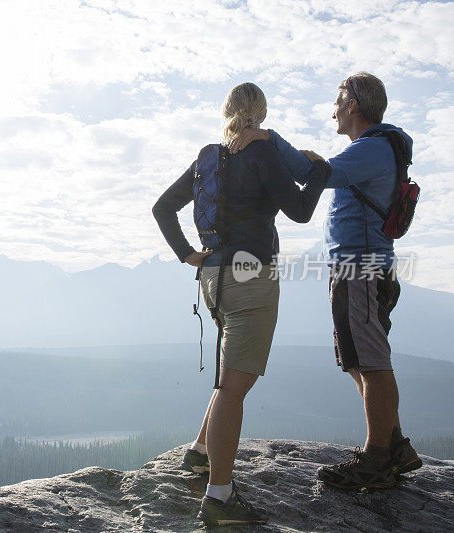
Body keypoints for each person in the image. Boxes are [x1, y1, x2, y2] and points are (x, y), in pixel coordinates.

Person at [229, 72, 422, 490]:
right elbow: (319, 172)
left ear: (354, 104)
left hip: (360, 269)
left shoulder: (372, 149)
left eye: (337, 100)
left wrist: (268, 138)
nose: (333, 109)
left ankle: (377, 459)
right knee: (358, 360)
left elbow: (315, 175)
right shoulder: (371, 150)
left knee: (371, 362)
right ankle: (394, 446)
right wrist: (310, 161)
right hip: (357, 269)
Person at [152, 82, 331, 526]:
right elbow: (301, 209)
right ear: (261, 114)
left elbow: (162, 208)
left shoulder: (207, 158)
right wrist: (321, 171)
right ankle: (219, 497)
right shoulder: (262, 153)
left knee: (229, 373)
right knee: (236, 385)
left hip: (213, 277)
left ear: (227, 111)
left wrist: (188, 254)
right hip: (250, 277)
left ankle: (199, 453)